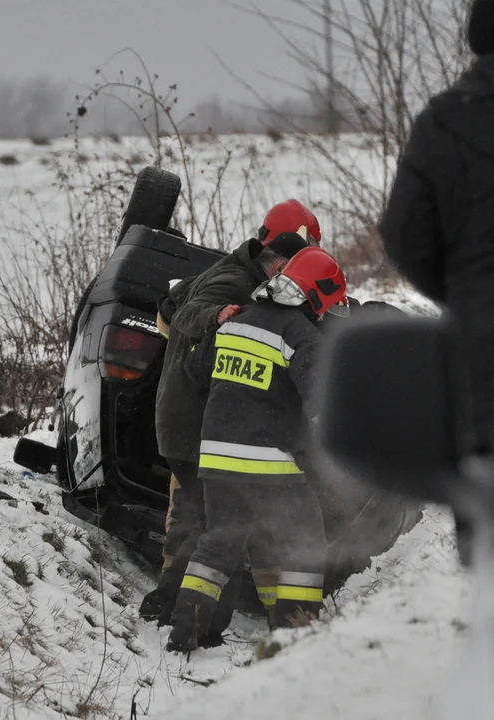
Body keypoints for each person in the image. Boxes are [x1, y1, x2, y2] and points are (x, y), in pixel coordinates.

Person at [377, 0, 494, 567]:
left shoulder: (444, 119)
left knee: (492, 528)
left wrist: (466, 292)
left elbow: (406, 235)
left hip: (482, 355)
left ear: (476, 33)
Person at [138, 200, 321, 629]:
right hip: (195, 425)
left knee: (203, 517)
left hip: (203, 423)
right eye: (300, 260)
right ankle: (179, 610)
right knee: (208, 523)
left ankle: (177, 607)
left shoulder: (243, 276)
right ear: (281, 255)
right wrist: (215, 317)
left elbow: (166, 308)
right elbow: (183, 315)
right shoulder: (234, 281)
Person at [166, 245, 350, 653]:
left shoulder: (235, 320)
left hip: (216, 460)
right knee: (304, 543)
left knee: (220, 543)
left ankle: (184, 636)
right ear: (315, 295)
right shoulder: (301, 336)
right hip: (270, 465)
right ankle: (297, 637)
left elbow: (196, 370)